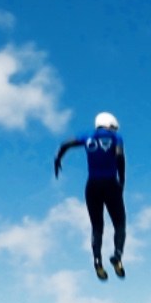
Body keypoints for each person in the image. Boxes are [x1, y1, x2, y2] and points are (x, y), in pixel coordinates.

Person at [54, 111, 126, 281]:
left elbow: (65, 144)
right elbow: (119, 156)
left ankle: (97, 261)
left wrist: (58, 159)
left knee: (97, 227)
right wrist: (121, 180)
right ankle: (117, 255)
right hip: (110, 184)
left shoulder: (87, 137)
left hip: (92, 186)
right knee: (120, 223)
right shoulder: (116, 138)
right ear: (111, 125)